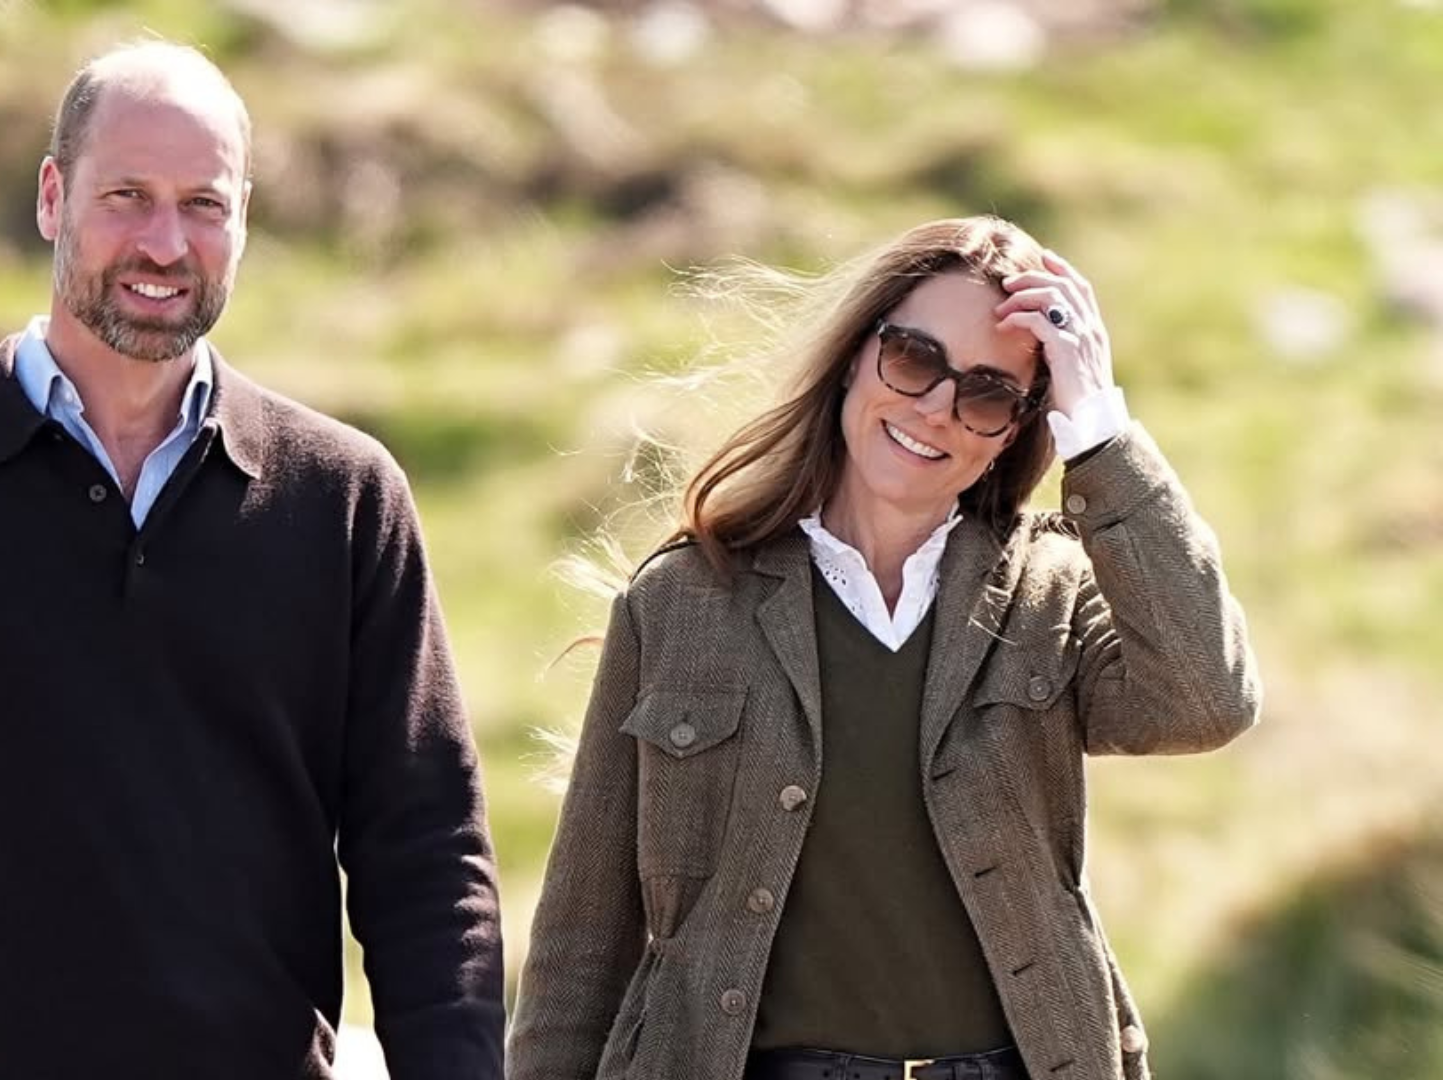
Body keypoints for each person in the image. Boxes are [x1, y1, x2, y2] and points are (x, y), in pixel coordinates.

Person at [0, 40, 505, 1080]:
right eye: (127, 196)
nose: (165, 243)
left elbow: (428, 858)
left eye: (203, 204)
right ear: (53, 198)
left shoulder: (344, 500)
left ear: (244, 218)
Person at [506, 216, 1260, 1080]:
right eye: (913, 357)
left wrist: (1100, 431)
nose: (936, 408)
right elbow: (579, 947)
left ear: (1016, 431)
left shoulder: (1051, 591)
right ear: (856, 355)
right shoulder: (681, 602)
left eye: (988, 394)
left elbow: (1207, 702)